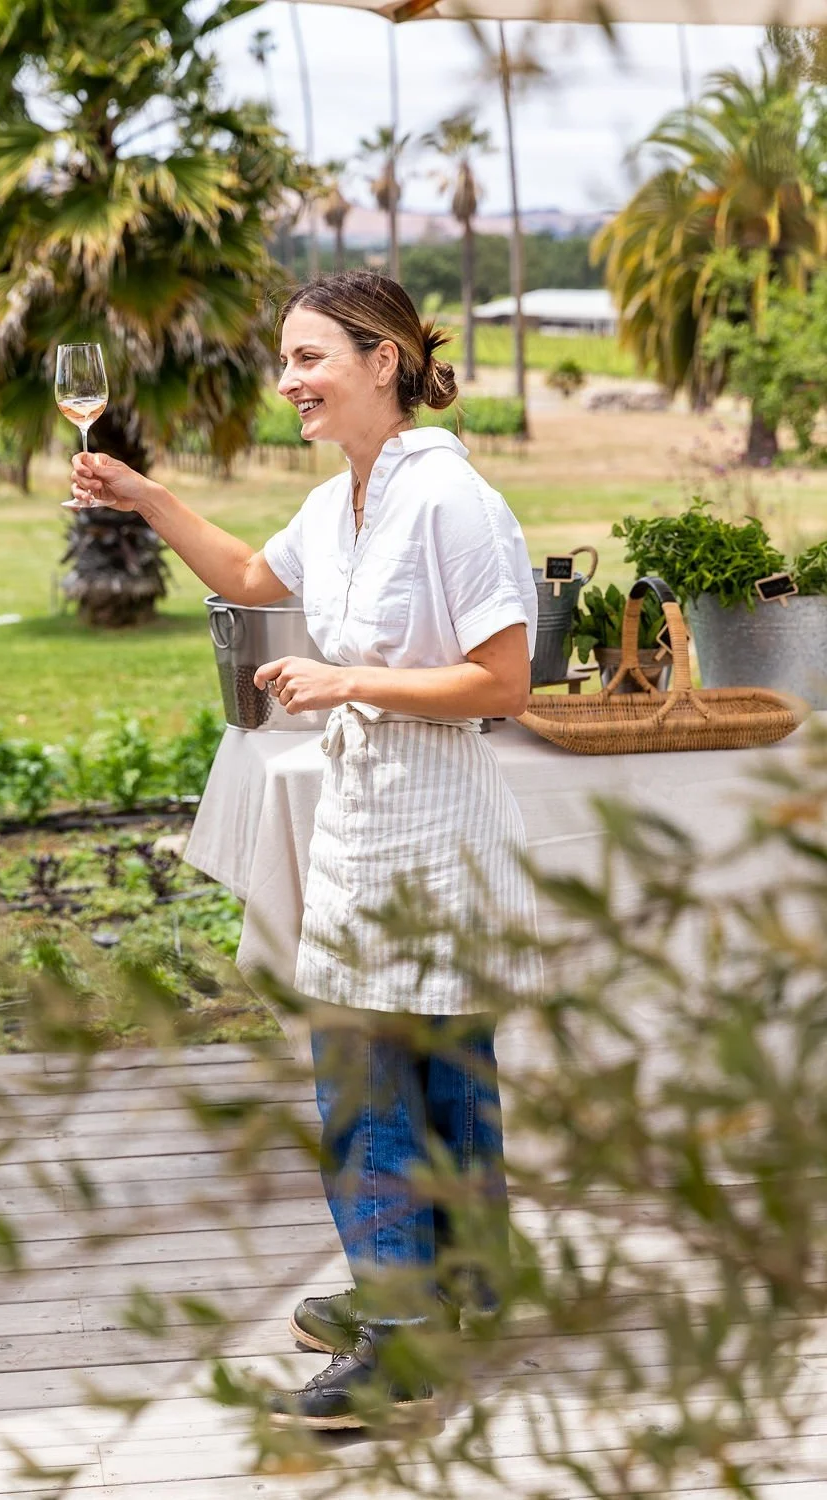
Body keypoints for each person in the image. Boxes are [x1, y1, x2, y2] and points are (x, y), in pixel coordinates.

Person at [69, 270, 541, 1432]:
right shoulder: (344, 503)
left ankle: (398, 1337)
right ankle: (464, 1281)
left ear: (384, 360)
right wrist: (141, 494)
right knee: (438, 1067)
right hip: (373, 829)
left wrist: (347, 680)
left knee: (367, 1084)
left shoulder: (449, 501)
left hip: (434, 832)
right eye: (285, 360)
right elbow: (247, 578)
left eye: (311, 357)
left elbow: (504, 679)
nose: (288, 381)